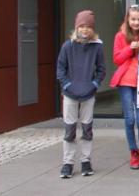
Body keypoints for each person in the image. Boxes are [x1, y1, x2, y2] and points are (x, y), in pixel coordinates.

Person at [56, 10, 106, 178]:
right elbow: (60, 69)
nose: (85, 30)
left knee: (87, 129)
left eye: (88, 27)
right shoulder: (67, 46)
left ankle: (86, 161)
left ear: (93, 29)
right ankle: (68, 163)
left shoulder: (97, 47)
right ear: (76, 28)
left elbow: (101, 69)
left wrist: (94, 84)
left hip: (88, 94)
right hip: (70, 94)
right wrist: (67, 85)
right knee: (69, 130)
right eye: (82, 26)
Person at [110, 5, 139, 170]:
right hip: (125, 83)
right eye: (133, 19)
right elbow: (117, 59)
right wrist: (131, 47)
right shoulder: (120, 36)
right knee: (130, 119)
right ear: (128, 20)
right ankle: (134, 153)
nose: (136, 22)